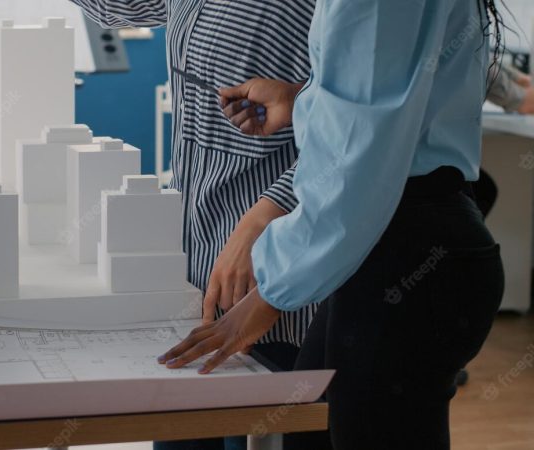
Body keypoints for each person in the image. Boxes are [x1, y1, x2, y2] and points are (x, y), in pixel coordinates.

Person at [159, 1, 505, 449]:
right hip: (400, 242)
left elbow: (357, 164)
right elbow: (391, 98)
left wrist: (270, 291)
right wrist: (302, 98)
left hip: (403, 250)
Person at [68, 1, 319, 449]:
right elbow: (114, 8)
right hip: (197, 278)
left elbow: (355, 136)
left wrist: (264, 218)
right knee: (181, 437)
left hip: (275, 286)